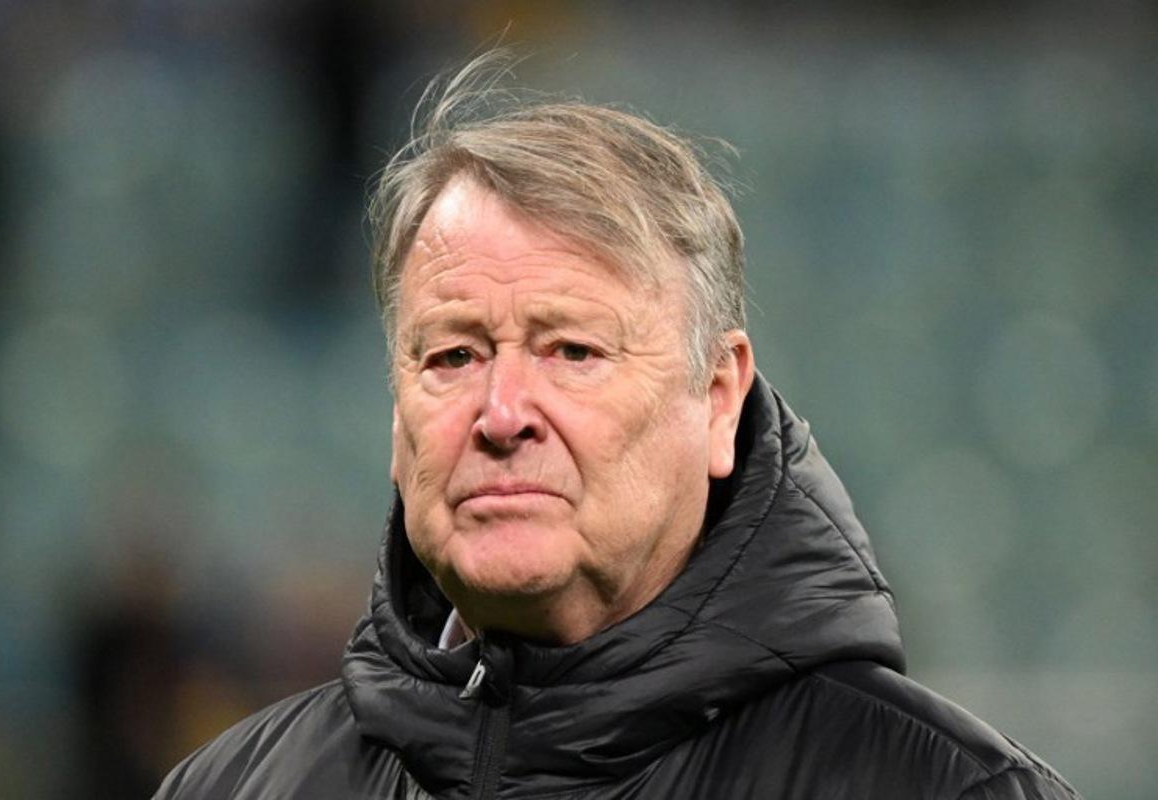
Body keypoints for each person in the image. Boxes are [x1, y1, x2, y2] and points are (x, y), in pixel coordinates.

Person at [154, 52, 1081, 800]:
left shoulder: (946, 788)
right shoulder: (233, 786)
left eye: (572, 352)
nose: (502, 414)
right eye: (453, 357)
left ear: (718, 398)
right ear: (397, 413)